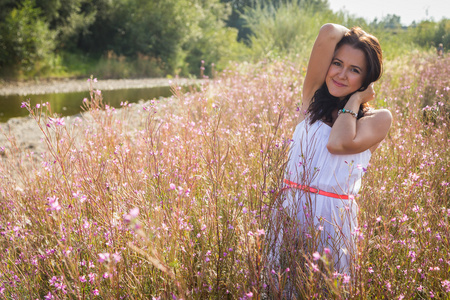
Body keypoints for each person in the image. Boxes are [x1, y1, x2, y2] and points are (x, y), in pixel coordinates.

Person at [279, 24, 392, 279]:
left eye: (355, 70)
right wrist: (355, 36)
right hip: (289, 210)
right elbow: (329, 31)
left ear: (367, 80)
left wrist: (354, 100)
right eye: (337, 63)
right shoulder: (311, 101)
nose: (341, 74)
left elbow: (337, 143)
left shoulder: (378, 119)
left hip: (333, 223)